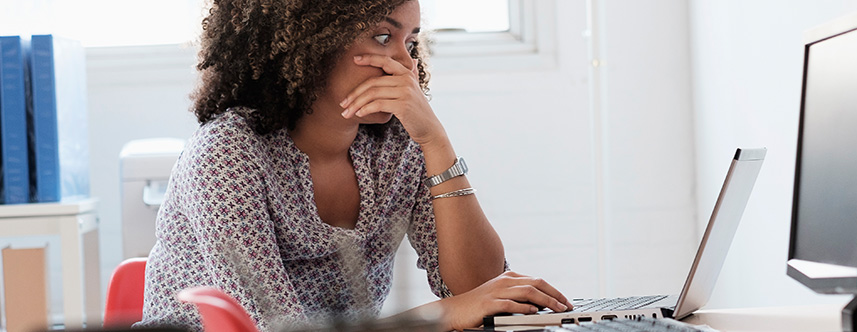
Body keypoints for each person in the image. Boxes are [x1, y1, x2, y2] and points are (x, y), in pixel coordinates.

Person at [136, 0, 573, 330]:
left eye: (412, 42)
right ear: (313, 41)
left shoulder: (398, 144)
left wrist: (436, 142)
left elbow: (480, 290)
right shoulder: (227, 152)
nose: (406, 63)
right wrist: (440, 316)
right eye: (383, 37)